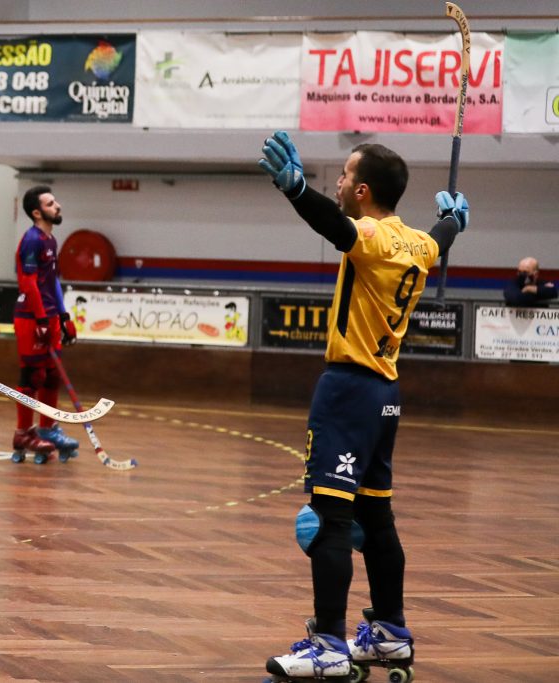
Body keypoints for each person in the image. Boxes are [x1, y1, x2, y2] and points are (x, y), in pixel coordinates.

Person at [257, 131, 467, 681]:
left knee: (330, 517)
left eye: (346, 175)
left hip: (348, 391)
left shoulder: (370, 235)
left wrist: (296, 189)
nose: (339, 183)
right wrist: (454, 221)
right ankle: (390, 633)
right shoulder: (418, 244)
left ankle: (328, 644)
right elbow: (440, 239)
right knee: (376, 519)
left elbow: (335, 225)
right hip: (386, 396)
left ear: (363, 190)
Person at [11, 186, 80, 464]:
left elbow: (52, 281)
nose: (58, 206)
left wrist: (63, 316)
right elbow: (28, 283)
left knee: (51, 375)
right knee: (33, 376)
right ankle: (23, 433)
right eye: (51, 204)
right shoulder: (32, 240)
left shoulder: (50, 240)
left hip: (48, 315)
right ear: (37, 213)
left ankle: (48, 429)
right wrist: (41, 318)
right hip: (31, 317)